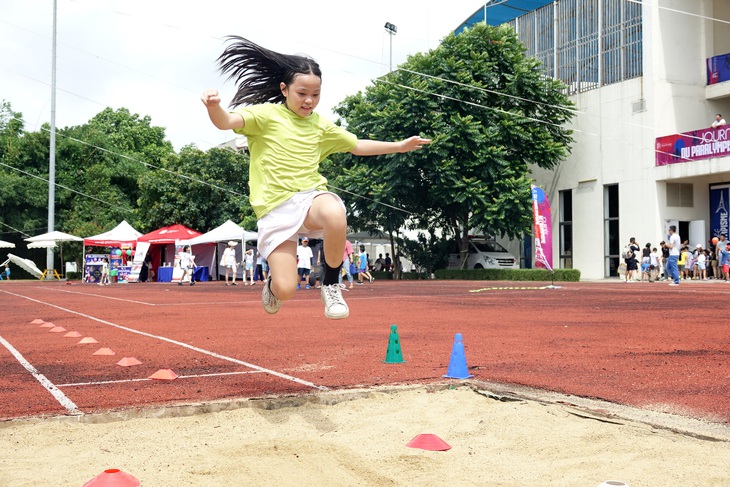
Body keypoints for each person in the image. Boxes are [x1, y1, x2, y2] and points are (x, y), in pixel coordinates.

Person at [202, 37, 430, 318]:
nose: (309, 101)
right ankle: (274, 286)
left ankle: (331, 284)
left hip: (309, 198)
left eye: (316, 94)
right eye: (302, 93)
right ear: (284, 89)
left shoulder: (321, 124)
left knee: (335, 212)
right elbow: (226, 122)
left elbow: (356, 145)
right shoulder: (265, 115)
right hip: (274, 208)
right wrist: (214, 106)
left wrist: (399, 146)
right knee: (287, 290)